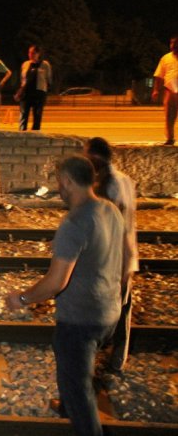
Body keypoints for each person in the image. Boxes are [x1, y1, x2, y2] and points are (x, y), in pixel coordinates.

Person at [6, 155, 125, 436]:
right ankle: (68, 405)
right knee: (78, 375)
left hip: (81, 319)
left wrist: (22, 299)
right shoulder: (110, 210)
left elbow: (56, 282)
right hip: (110, 310)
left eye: (59, 181)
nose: (59, 187)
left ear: (68, 181)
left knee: (77, 387)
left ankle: (81, 417)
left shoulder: (74, 223)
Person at [85, 137, 138, 372]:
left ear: (95, 158)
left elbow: (114, 227)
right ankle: (118, 359)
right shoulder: (126, 180)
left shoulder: (109, 185)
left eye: (87, 156)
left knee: (105, 310)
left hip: (113, 261)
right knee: (124, 311)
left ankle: (96, 358)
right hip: (126, 258)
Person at [15, 45, 52, 131]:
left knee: (37, 115)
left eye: (33, 53)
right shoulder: (25, 64)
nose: (30, 54)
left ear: (38, 53)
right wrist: (20, 90)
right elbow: (22, 79)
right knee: (23, 114)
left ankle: (35, 134)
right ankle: (22, 133)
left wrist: (46, 90)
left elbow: (49, 79)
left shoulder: (45, 64)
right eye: (29, 52)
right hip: (26, 92)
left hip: (39, 92)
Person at [152, 34, 178, 146]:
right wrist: (156, 90)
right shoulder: (165, 58)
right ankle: (170, 138)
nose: (173, 45)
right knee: (169, 117)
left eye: (175, 43)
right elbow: (159, 76)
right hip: (170, 91)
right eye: (172, 43)